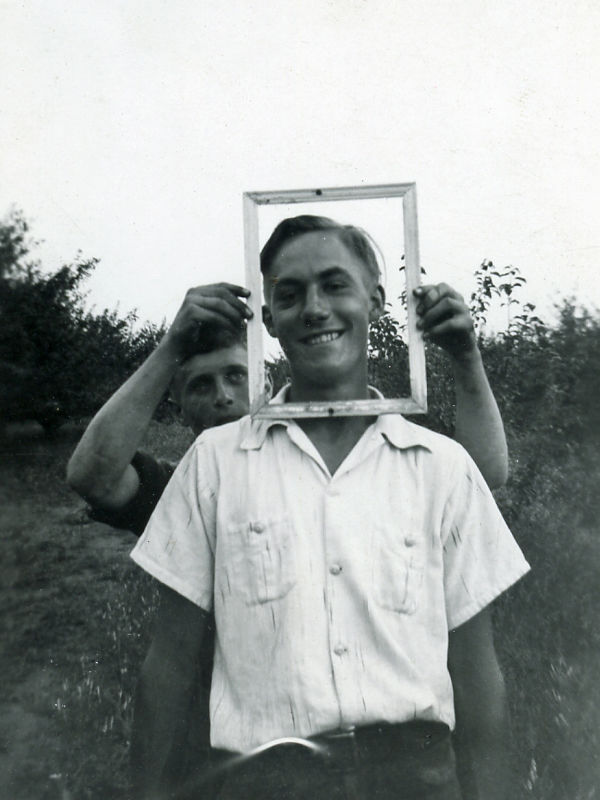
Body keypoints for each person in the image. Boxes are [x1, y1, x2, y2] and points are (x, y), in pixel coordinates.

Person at [129, 216, 528, 800]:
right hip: (266, 782)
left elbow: (478, 675)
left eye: (335, 285)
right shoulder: (214, 461)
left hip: (415, 778)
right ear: (269, 319)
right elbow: (168, 662)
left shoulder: (441, 465)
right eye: (290, 295)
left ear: (376, 300)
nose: (314, 309)